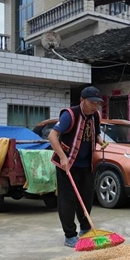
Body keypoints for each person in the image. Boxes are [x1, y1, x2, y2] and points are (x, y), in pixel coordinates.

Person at [48, 86, 107, 248]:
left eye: (97, 103)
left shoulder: (95, 116)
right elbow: (52, 136)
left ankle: (86, 229)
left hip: (85, 164)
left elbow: (95, 133)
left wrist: (100, 140)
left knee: (87, 198)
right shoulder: (70, 115)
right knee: (68, 201)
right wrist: (62, 157)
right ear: (82, 100)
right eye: (91, 102)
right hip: (67, 163)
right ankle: (70, 235)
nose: (95, 106)